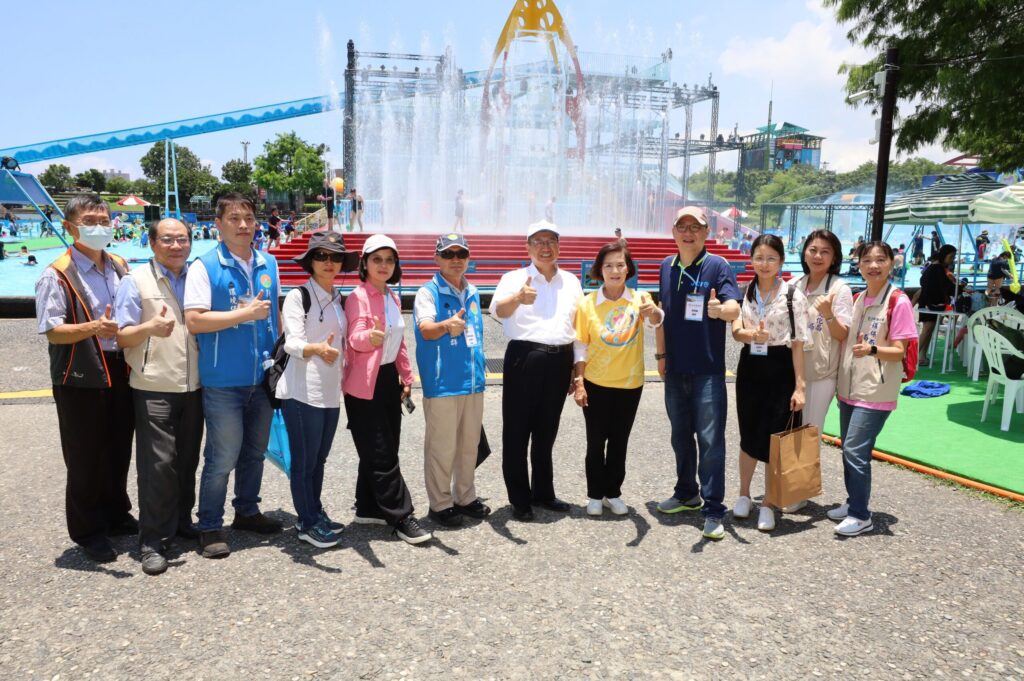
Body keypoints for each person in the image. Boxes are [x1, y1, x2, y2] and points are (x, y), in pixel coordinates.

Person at [34, 194, 135, 563]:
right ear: (70, 226)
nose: (99, 227)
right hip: (80, 371)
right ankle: (88, 530)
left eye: (104, 220)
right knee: (84, 454)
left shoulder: (120, 264)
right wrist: (95, 326)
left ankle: (116, 512)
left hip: (121, 367)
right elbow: (52, 330)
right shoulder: (56, 273)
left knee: (118, 445)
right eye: (90, 220)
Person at [184, 192, 283, 559]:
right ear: (218, 224)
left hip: (261, 378)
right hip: (223, 380)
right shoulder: (205, 266)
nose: (243, 225)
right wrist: (244, 315)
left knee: (255, 453)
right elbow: (194, 320)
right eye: (234, 218)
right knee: (222, 456)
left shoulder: (267, 263)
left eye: (249, 218)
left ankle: (247, 511)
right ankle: (209, 524)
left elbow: (273, 317)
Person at [113, 218, 202, 575]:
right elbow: (121, 337)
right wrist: (149, 328)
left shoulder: (196, 276)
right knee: (158, 465)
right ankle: (151, 540)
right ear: (152, 243)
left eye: (183, 239)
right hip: (153, 385)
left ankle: (180, 521)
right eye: (168, 239)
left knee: (187, 460)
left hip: (193, 385)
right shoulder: (135, 281)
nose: (177, 246)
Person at [654, 207, 741, 541]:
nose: (688, 231)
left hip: (707, 371)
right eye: (681, 226)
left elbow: (734, 305)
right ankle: (686, 492)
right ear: (673, 231)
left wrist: (723, 310)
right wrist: (660, 356)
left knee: (710, 441)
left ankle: (714, 508)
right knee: (680, 436)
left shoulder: (717, 266)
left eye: (695, 226)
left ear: (707, 233)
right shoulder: (666, 266)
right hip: (675, 369)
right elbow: (662, 315)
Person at [490, 220, 583, 521]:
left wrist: (576, 370)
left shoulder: (571, 281)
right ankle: (520, 499)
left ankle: (543, 492)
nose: (545, 247)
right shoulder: (515, 277)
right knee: (517, 431)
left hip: (560, 360)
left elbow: (579, 329)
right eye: (538, 241)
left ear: (559, 246)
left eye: (551, 241)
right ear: (527, 247)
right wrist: (518, 298)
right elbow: (497, 311)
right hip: (525, 357)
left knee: (547, 431)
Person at [343, 234, 432, 544]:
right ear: (364, 263)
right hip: (363, 384)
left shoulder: (392, 296)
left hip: (387, 380)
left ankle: (368, 507)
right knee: (380, 452)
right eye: (377, 259)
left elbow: (400, 342)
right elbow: (354, 337)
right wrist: (370, 339)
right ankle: (401, 515)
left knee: (385, 446)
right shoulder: (358, 297)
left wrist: (406, 376)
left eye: (389, 260)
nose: (383, 265)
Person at [831, 241, 916, 536]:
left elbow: (899, 351)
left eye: (880, 260)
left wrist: (871, 349)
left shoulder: (898, 301)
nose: (873, 265)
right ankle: (854, 501)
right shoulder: (859, 298)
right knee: (849, 448)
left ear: (891, 263)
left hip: (876, 389)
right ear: (859, 264)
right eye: (867, 260)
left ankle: (860, 514)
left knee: (855, 449)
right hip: (850, 387)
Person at [572, 242, 662, 516]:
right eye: (608, 265)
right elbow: (580, 346)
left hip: (630, 384)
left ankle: (613, 492)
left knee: (620, 441)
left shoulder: (640, 298)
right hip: (597, 383)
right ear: (600, 270)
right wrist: (579, 382)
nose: (614, 270)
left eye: (620, 265)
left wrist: (654, 313)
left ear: (628, 269)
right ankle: (595, 494)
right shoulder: (587, 304)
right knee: (596, 441)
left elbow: (657, 320)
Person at [731, 234, 808, 532]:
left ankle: (769, 503)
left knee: (777, 438)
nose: (765, 264)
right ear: (751, 259)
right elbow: (737, 330)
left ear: (781, 261)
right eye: (759, 258)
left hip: (780, 367)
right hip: (750, 365)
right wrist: (749, 336)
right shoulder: (746, 290)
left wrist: (799, 386)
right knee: (748, 432)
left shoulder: (792, 294)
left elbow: (799, 343)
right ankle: (744, 494)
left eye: (771, 258)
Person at [413, 233, 490, 527]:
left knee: (468, 445)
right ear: (437, 259)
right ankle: (440, 503)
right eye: (448, 254)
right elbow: (426, 329)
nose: (455, 260)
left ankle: (465, 497)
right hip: (443, 383)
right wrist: (447, 325)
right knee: (441, 447)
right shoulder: (427, 292)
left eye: (461, 254)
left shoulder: (472, 291)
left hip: (472, 381)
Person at [277, 232, 348, 549]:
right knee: (304, 462)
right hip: (302, 393)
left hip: (331, 394)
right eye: (321, 256)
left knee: (318, 459)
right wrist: (315, 348)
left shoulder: (339, 300)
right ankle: (306, 522)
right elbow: (291, 341)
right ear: (310, 261)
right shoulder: (298, 296)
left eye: (335, 257)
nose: (329, 262)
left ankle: (315, 512)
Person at [784, 230, 852, 513]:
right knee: (788, 430)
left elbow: (842, 333)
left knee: (810, 431)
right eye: (813, 250)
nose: (818, 256)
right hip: (790, 370)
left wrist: (828, 313)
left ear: (834, 256)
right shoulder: (792, 285)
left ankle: (800, 492)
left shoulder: (839, 289)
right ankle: (788, 486)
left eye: (825, 251)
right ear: (804, 253)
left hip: (822, 373)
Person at [916, 244, 957, 365]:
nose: (952, 259)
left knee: (929, 330)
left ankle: (922, 356)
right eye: (951, 256)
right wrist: (957, 287)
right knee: (927, 330)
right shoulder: (937, 268)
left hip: (930, 302)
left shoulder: (933, 267)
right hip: (931, 303)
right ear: (944, 255)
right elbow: (944, 287)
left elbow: (923, 282)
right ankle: (911, 358)